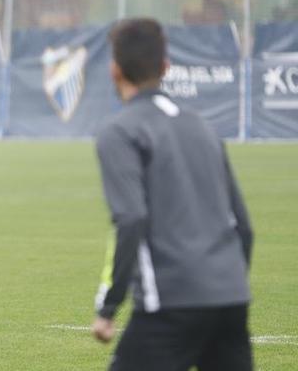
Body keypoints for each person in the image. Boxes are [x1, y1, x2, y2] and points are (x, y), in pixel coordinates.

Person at [91, 18, 254, 371]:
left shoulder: (119, 132)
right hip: (230, 298)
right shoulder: (203, 126)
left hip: (170, 302)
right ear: (165, 67)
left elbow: (131, 218)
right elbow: (244, 226)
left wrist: (108, 308)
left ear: (114, 71)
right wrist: (228, 284)